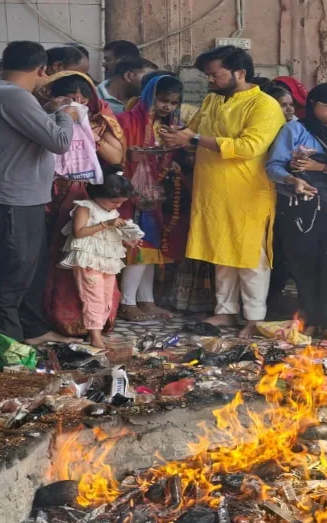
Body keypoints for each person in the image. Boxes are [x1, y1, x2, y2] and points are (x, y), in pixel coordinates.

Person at [159, 46, 286, 338]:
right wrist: (174, 136)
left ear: (240, 73)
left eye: (216, 75)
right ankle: (225, 312)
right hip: (213, 191)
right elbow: (192, 132)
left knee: (251, 258)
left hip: (248, 193)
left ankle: (255, 317)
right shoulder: (212, 100)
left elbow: (249, 146)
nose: (210, 80)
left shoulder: (264, 105)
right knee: (221, 252)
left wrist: (193, 138)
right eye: (209, 76)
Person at [0, 41, 75, 345]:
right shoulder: (12, 95)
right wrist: (66, 114)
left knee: (30, 270)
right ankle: (10, 346)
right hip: (12, 198)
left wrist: (49, 110)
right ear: (42, 70)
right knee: (13, 275)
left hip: (17, 195)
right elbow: (59, 141)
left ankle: (34, 331)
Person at [265, 83, 327, 342]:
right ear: (312, 104)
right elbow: (272, 166)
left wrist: (322, 167)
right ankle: (308, 319)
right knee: (303, 265)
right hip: (300, 207)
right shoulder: (294, 129)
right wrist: (291, 179)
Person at [36, 71, 127, 337]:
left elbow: (117, 156)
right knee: (52, 255)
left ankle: (93, 320)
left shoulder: (100, 122)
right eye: (69, 97)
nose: (77, 102)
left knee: (88, 257)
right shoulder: (44, 119)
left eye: (82, 97)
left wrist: (87, 132)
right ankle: (52, 315)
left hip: (87, 193)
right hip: (49, 192)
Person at [117, 72, 203, 316]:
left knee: (153, 246)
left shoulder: (172, 128)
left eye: (174, 102)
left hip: (155, 196)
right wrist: (130, 156)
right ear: (149, 96)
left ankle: (147, 300)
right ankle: (127, 303)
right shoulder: (125, 121)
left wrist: (174, 148)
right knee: (139, 246)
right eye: (163, 100)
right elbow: (112, 157)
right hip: (130, 194)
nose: (168, 106)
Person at [59, 173, 142, 349]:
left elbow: (110, 235)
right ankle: (94, 336)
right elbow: (78, 232)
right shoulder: (85, 207)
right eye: (114, 202)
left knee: (106, 297)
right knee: (93, 297)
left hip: (107, 261)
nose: (118, 206)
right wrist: (106, 224)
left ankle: (100, 331)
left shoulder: (112, 211)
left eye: (121, 203)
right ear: (99, 195)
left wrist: (127, 240)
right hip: (88, 259)